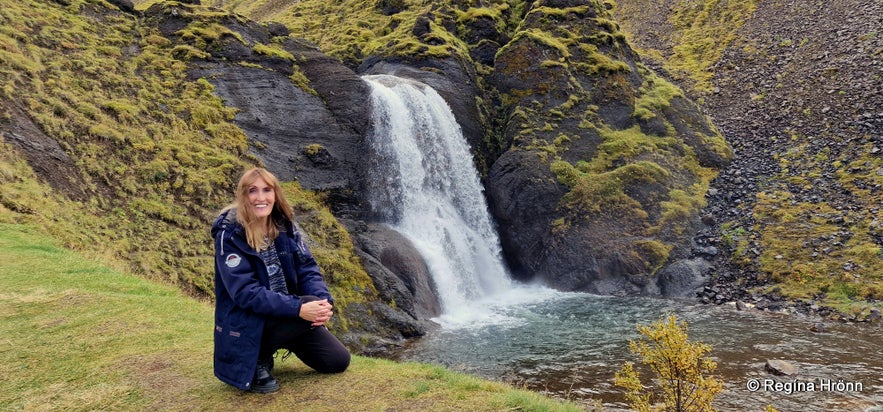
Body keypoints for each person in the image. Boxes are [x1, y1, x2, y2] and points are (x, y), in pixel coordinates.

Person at [211, 167, 350, 393]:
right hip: (248, 321)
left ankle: (284, 337)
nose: (261, 197)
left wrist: (323, 302)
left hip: (287, 313)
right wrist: (299, 308)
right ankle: (260, 356)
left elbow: (307, 268)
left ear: (275, 194)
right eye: (253, 191)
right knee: (307, 303)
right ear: (243, 195)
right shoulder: (230, 234)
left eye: (267, 190)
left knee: (337, 360)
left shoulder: (284, 225)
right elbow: (245, 293)